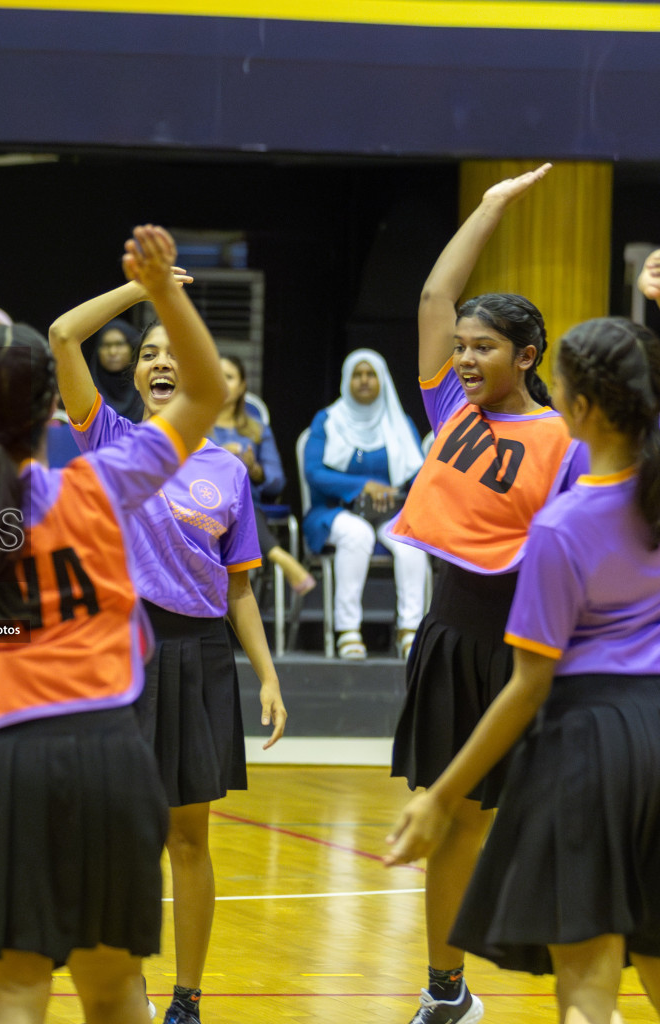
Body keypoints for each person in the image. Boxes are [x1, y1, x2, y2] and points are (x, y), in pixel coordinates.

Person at [0, 224, 229, 1024]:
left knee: (12, 996)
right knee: (113, 993)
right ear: (52, 408)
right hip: (113, 759)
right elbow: (207, 395)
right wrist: (165, 290)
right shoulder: (102, 483)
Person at [385, 317, 660, 1024]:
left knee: (589, 983)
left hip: (596, 738)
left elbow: (529, 684)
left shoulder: (562, 525)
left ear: (581, 408)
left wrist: (441, 796)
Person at [49, 256, 287, 1024]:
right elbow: (62, 335)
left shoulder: (230, 470)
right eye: (147, 352)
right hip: (120, 652)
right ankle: (127, 989)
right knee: (122, 836)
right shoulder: (108, 437)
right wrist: (146, 291)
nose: (157, 362)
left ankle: (186, 998)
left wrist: (268, 675)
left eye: (169, 352)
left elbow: (240, 586)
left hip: (200, 656)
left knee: (190, 839)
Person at [385, 162, 586, 1024]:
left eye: (483, 348)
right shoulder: (451, 410)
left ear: (527, 356)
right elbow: (435, 295)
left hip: (529, 649)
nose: (463, 357)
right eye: (460, 346)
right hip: (449, 638)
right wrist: (492, 207)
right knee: (456, 820)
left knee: (561, 826)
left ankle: (589, 981)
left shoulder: (566, 438)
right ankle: (446, 990)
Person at [301, 349, 429, 660]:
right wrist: (362, 486)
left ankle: (409, 630)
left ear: (382, 380)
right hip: (335, 512)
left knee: (411, 540)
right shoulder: (328, 421)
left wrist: (395, 491)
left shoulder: (399, 421)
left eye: (370, 374)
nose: (363, 380)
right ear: (347, 379)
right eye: (357, 374)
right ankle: (348, 630)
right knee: (357, 533)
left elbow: (420, 473)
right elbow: (314, 472)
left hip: (389, 513)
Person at [214, 354, 313, 595]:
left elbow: (277, 482)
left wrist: (254, 468)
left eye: (228, 377)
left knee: (238, 503)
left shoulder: (257, 430)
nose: (221, 383)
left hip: (248, 502)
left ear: (242, 387)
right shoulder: (194, 424)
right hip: (204, 500)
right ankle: (279, 556)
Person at [84, 318, 144, 421]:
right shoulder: (86, 393)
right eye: (106, 345)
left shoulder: (146, 393)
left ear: (132, 348)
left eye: (119, 344)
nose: (112, 352)